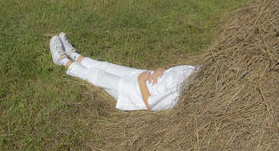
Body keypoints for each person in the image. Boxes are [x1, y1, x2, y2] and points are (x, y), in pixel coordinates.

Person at [50, 33, 197, 111]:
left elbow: (152, 104)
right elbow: (176, 73)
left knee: (99, 76)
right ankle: (75, 55)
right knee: (108, 67)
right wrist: (162, 70)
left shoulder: (181, 94)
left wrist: (141, 83)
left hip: (136, 91)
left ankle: (63, 60)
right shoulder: (196, 71)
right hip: (148, 75)